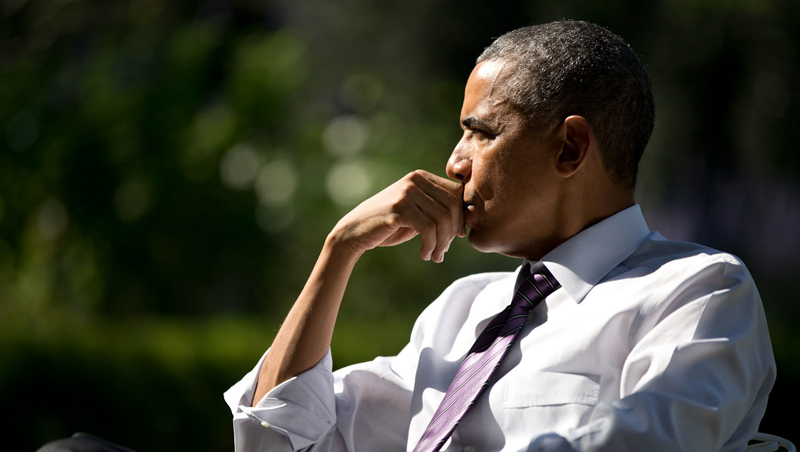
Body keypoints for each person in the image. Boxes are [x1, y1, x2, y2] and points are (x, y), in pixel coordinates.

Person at [39, 20, 775, 452]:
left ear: (569, 148)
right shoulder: (464, 310)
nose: (452, 162)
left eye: (479, 133)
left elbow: (644, 445)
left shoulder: (697, 292)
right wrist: (339, 250)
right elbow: (273, 443)